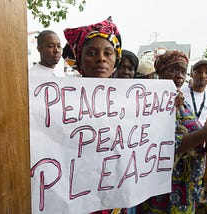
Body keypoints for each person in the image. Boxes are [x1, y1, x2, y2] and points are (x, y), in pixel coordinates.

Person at [138, 50, 207, 214]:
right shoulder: (152, 103)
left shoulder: (181, 101)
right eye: (173, 70)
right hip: (165, 190)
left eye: (183, 71)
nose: (179, 75)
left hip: (187, 186)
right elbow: (169, 145)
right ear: (161, 72)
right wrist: (206, 132)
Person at [63, 17, 123, 214]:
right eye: (91, 53)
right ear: (79, 59)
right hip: (75, 196)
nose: (101, 59)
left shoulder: (132, 101)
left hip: (114, 194)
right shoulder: (61, 101)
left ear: (116, 59)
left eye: (108, 53)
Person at [181, 58, 207, 126]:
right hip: (184, 135)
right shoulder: (181, 93)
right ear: (192, 74)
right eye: (199, 72)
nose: (203, 76)